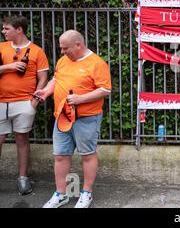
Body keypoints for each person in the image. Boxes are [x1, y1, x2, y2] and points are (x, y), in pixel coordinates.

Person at [34, 30, 111, 208]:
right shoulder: (63, 60)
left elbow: (105, 90)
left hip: (86, 117)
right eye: (61, 48)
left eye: (65, 48)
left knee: (87, 155)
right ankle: (61, 194)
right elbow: (56, 79)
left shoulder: (96, 63)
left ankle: (86, 193)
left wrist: (80, 99)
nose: (62, 52)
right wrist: (46, 91)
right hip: (62, 116)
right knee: (60, 155)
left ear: (79, 45)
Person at [0, 16, 49, 195]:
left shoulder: (36, 51)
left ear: (19, 29)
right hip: (0, 101)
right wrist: (9, 67)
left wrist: (34, 101)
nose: (3, 32)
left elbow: (43, 78)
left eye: (6, 29)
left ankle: (23, 178)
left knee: (22, 139)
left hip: (24, 102)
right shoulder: (1, 47)